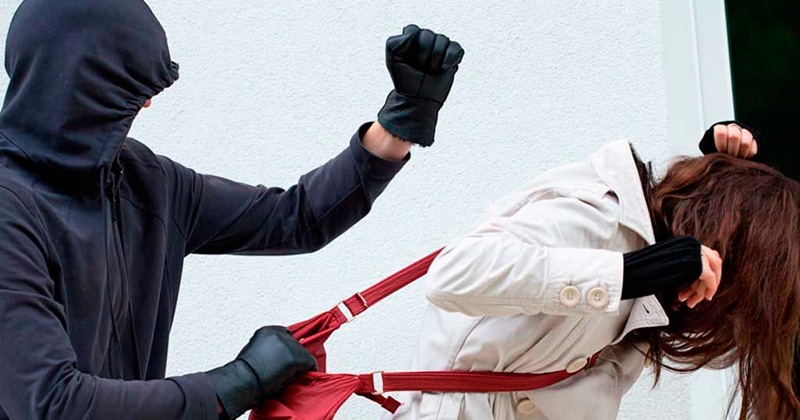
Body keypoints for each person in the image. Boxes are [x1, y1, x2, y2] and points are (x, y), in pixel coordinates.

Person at [0, 0, 464, 419]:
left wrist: (398, 124)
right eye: (128, 89)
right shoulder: (8, 211)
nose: (147, 102)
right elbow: (51, 403)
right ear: (77, 85)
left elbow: (296, 218)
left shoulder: (146, 181)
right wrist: (238, 381)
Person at [391, 124, 799, 420]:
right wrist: (626, 275)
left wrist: (746, 188)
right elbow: (454, 272)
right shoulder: (603, 218)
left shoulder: (652, 302)